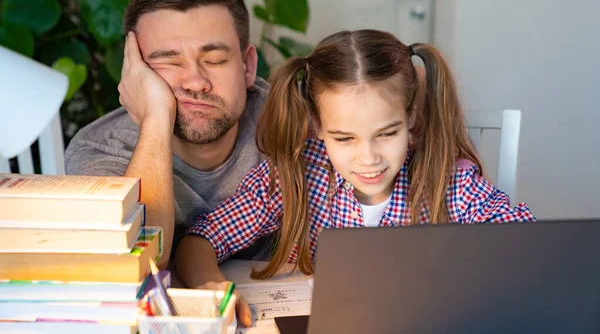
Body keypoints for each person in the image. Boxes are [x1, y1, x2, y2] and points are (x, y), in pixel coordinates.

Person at [176, 29, 536, 326]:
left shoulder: (447, 180)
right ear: (317, 125)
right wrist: (213, 285)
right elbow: (201, 239)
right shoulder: (299, 174)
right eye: (344, 138)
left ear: (411, 116)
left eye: (386, 133)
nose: (368, 158)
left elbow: (525, 244)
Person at [64, 0, 271, 268]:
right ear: (134, 72)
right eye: (169, 62)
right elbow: (136, 262)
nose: (196, 82)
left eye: (215, 60)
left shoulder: (294, 122)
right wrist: (157, 117)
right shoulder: (100, 151)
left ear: (247, 67)